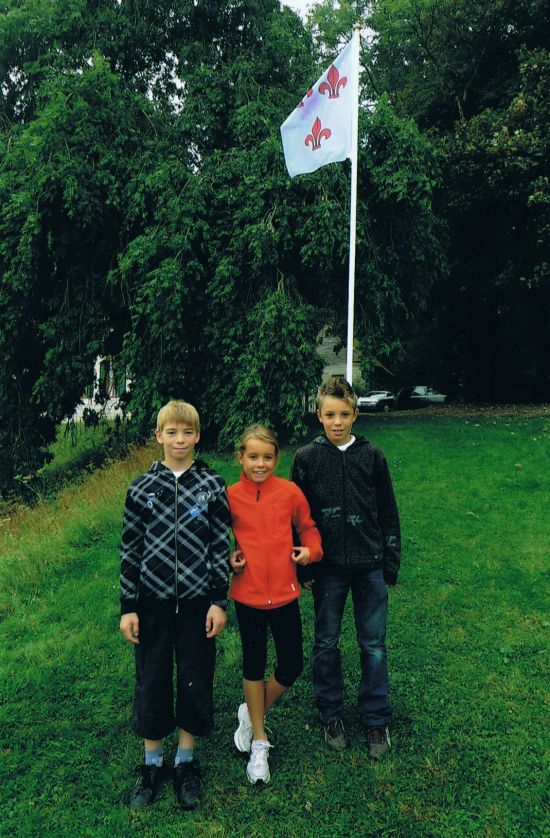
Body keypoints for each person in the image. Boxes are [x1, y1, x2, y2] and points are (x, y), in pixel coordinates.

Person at [119, 400, 230, 810]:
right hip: (152, 603)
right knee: (152, 678)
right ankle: (152, 762)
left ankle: (186, 760)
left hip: (199, 603)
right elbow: (130, 549)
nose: (180, 440)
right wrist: (128, 606)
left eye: (187, 433)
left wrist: (219, 600)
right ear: (159, 436)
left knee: (194, 676)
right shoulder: (141, 488)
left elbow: (221, 545)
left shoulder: (212, 486)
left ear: (197, 436)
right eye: (172, 433)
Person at [290, 377, 401, 759]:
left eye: (344, 414)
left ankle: (376, 719)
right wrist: (302, 566)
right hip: (327, 568)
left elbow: (388, 511)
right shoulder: (306, 459)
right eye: (329, 414)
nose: (337, 422)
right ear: (319, 414)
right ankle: (330, 712)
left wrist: (390, 560)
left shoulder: (372, 456)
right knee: (326, 642)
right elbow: (296, 518)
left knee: (373, 645)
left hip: (369, 563)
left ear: (355, 414)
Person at [228, 424, 322, 784]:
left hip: (284, 592)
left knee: (292, 663)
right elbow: (216, 536)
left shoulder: (290, 492)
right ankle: (259, 742)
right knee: (253, 663)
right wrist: (229, 557)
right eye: (253, 456)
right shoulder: (231, 495)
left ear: (276, 458)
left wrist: (310, 551)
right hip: (248, 595)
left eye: (267, 457)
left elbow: (309, 528)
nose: (260, 464)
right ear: (241, 457)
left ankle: (251, 714)